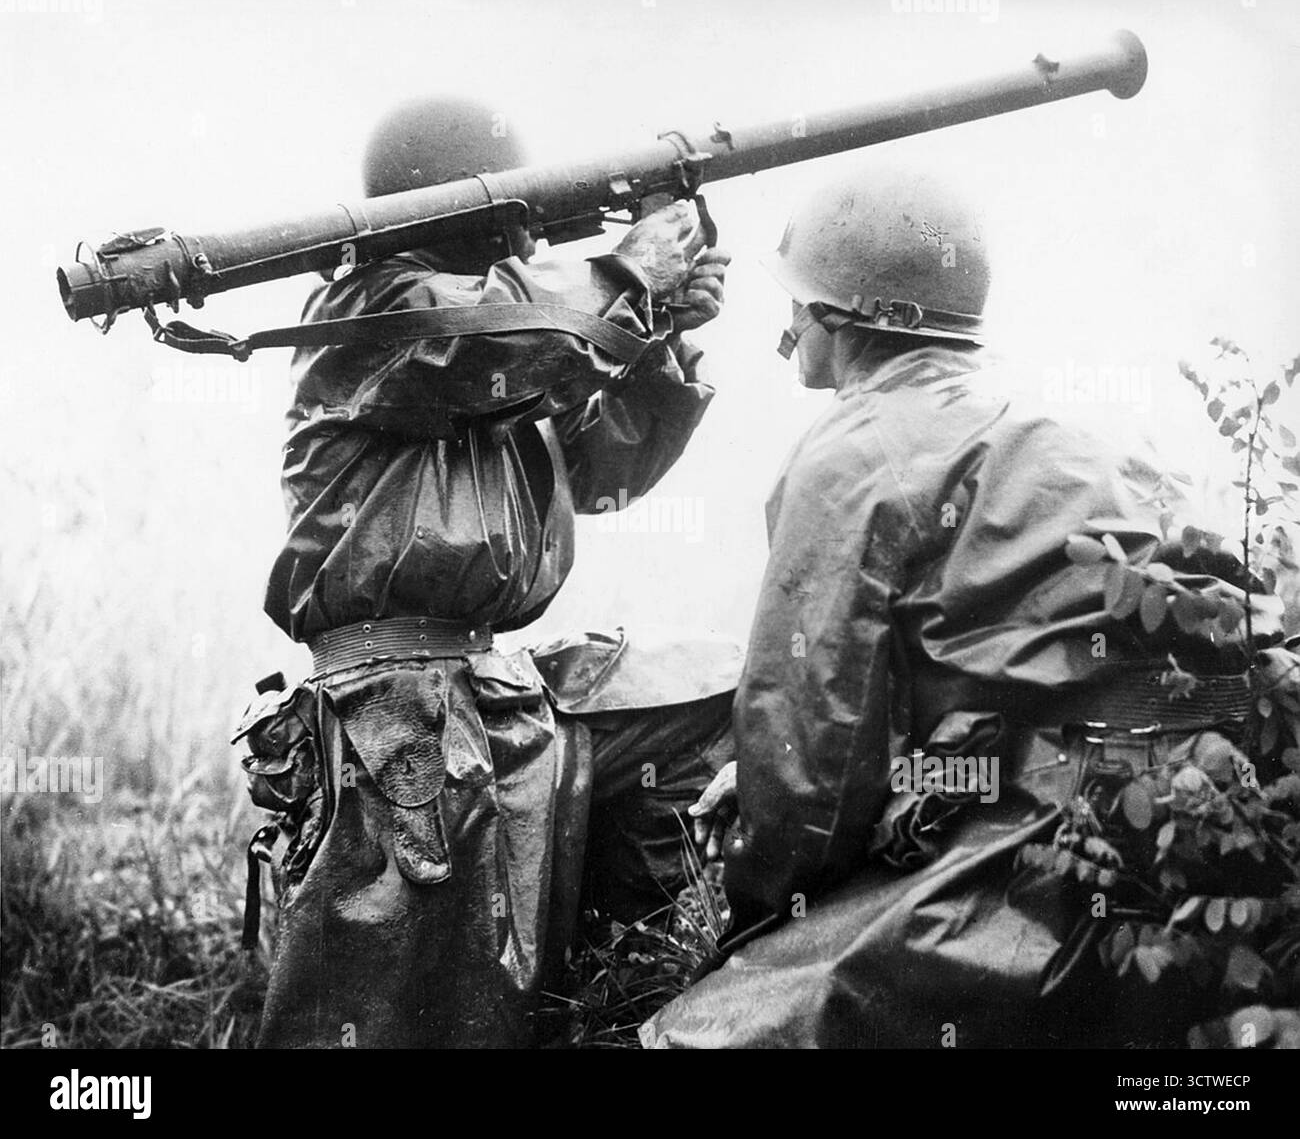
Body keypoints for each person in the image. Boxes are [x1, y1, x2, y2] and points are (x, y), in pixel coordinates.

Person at [646, 169, 1292, 1049]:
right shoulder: (1068, 420)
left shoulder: (851, 453)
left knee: (709, 1033)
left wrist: (760, 919)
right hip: (1197, 807)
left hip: (1042, 856)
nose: (788, 321)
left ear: (842, 314)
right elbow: (1012, 710)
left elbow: (813, 777)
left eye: (798, 299)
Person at [235, 97, 732, 1048]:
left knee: (703, 694)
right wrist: (623, 274)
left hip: (483, 687)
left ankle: (616, 975)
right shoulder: (373, 306)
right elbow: (486, 345)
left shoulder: (513, 333)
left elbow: (608, 468)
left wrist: (655, 326)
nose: (531, 225)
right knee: (381, 1019)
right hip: (399, 712)